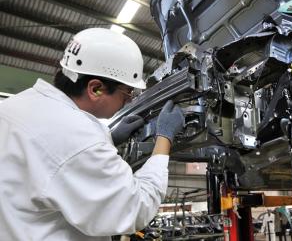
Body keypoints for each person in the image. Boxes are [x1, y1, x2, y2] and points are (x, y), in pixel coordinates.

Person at [0, 28, 185, 240]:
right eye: (127, 93)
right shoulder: (77, 138)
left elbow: (53, 158)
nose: (129, 100)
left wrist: (109, 137)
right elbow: (135, 207)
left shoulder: (17, 105)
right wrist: (164, 139)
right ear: (95, 89)